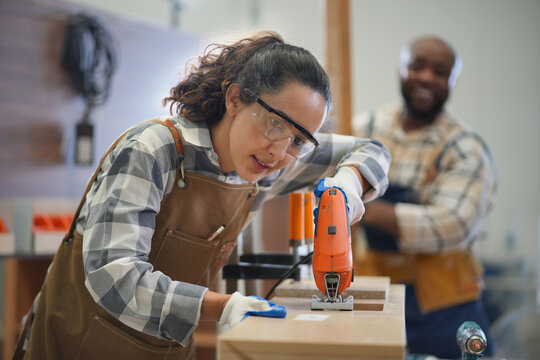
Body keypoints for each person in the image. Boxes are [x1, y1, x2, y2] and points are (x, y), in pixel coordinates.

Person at [15, 31, 390, 360]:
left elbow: (374, 151)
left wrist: (348, 185)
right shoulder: (153, 150)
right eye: (276, 124)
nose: (279, 153)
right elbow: (115, 279)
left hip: (166, 351)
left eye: (299, 140)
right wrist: (223, 307)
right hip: (79, 346)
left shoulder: (275, 159)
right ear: (234, 98)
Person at [352, 36, 497, 358]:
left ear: (452, 81)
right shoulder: (366, 127)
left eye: (440, 72)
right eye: (417, 66)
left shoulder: (464, 147)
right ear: (401, 70)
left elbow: (454, 224)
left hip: (445, 305)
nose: (427, 77)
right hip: (374, 290)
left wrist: (363, 207)